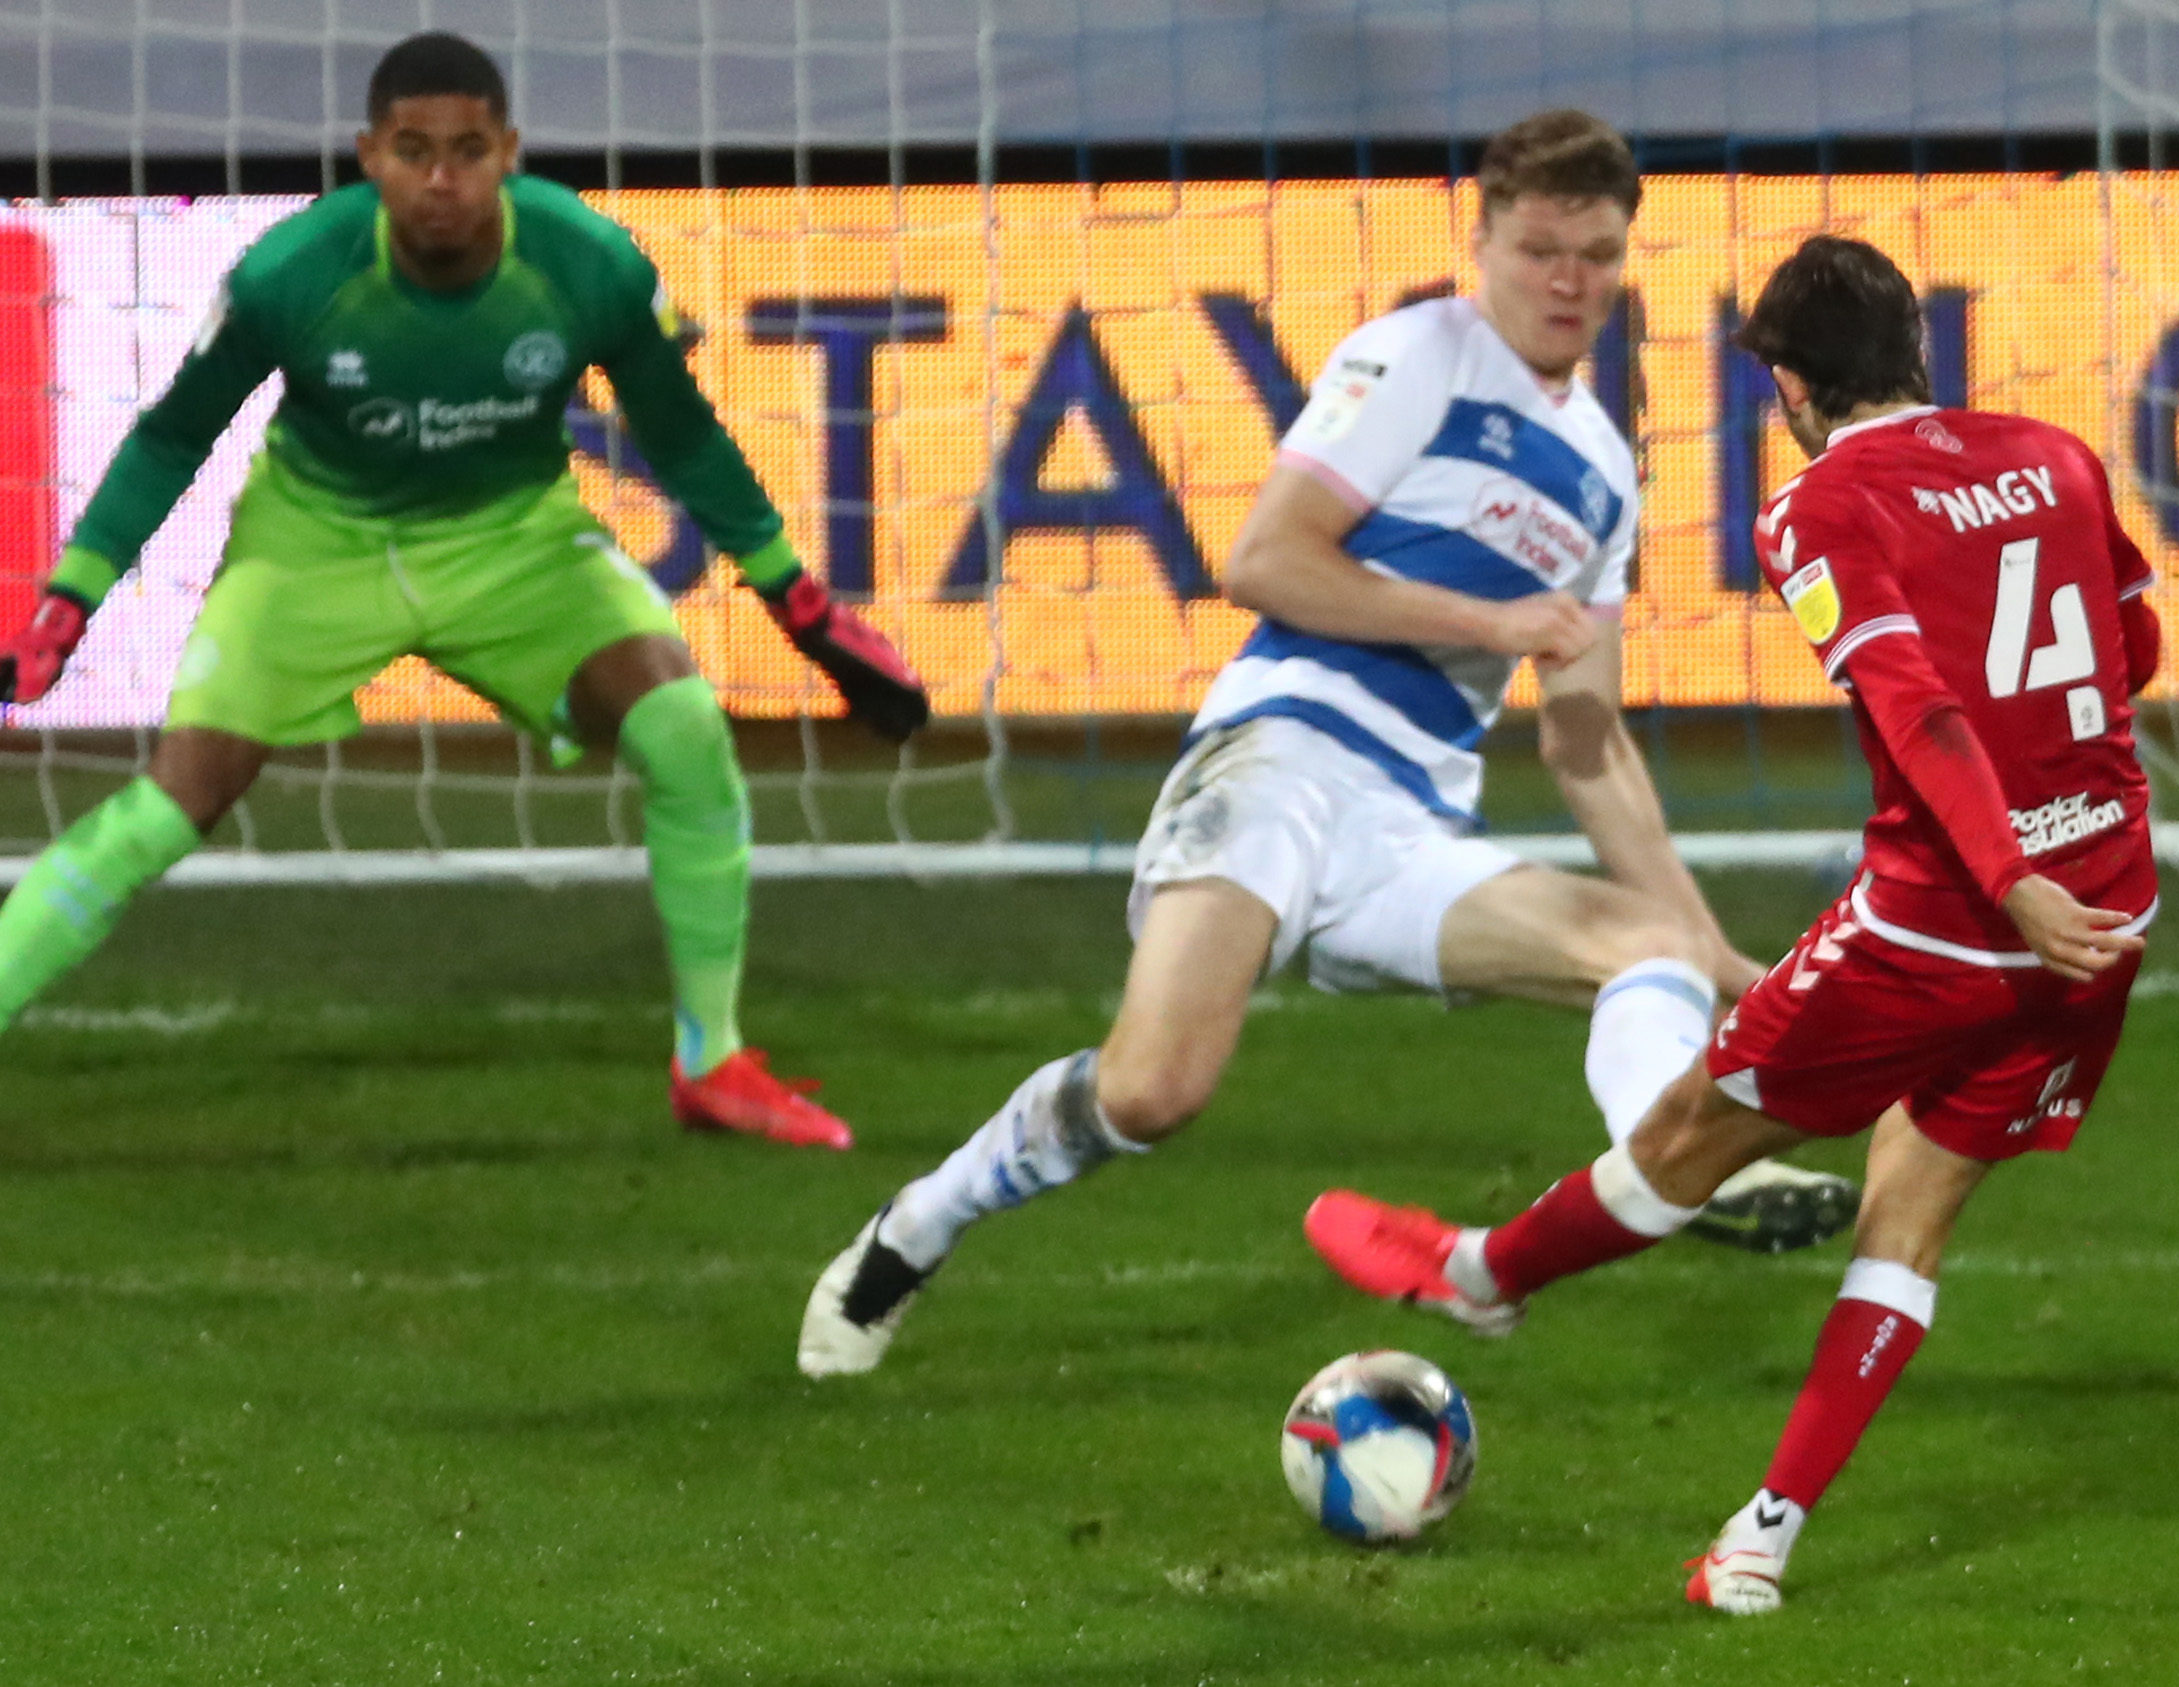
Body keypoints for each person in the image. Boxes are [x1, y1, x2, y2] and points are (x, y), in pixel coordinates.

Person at [795, 110, 1859, 1380]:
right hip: (1279, 762)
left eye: (1597, 255)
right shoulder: (1419, 357)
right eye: (1540, 252)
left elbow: (1587, 743)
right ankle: (916, 1227)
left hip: (1407, 831)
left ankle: (1674, 1164)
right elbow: (1267, 561)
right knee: (1150, 1092)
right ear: (1482, 242)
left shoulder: (1603, 471)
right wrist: (1489, 621)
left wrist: (1714, 954)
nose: (1569, 282)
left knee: (1646, 948)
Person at [0, 31, 928, 1166]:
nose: (441, 179)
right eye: (413, 152)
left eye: (467, 151)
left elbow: (682, 434)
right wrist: (65, 608)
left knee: (687, 729)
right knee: (172, 803)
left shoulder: (589, 263)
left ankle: (712, 1060)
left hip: (513, 542)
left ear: (509, 152)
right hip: (316, 547)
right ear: (368, 157)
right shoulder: (292, 273)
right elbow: (170, 439)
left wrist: (797, 601)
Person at [1302, 233, 2161, 1615]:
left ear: (1791, 387)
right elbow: (2134, 642)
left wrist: (2008, 875)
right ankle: (1756, 1543)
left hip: (1951, 923)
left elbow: (1918, 710)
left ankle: (1483, 1275)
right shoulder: (2056, 455)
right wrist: (2057, 828)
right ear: (1917, 348)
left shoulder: (1817, 509)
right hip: (2108, 911)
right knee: (1911, 1214)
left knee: (1688, 1132)